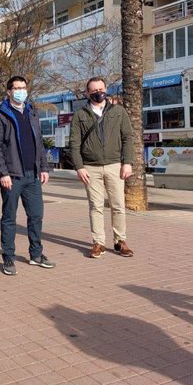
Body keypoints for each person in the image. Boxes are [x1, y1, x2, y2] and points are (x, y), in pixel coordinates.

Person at [0, 76, 55, 276]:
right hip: (12, 176)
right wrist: (3, 173)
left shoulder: (31, 111)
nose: (20, 91)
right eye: (16, 88)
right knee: (9, 217)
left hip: (32, 175)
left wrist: (43, 167)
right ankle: (8, 256)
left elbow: (39, 143)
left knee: (36, 216)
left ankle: (36, 254)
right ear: (8, 91)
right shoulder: (0, 114)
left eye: (23, 87)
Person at [69, 76, 134, 259]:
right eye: (94, 90)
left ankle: (120, 241)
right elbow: (74, 143)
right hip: (91, 168)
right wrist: (79, 167)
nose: (99, 93)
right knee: (95, 206)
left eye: (101, 89)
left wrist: (127, 162)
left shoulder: (118, 111)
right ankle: (98, 242)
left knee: (118, 205)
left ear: (106, 89)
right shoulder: (80, 115)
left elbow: (128, 137)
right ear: (87, 93)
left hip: (114, 165)